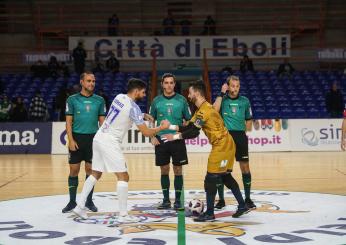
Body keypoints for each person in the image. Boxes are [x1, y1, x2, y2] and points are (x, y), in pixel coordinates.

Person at [72, 78, 170, 221]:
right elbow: (147, 133)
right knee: (123, 177)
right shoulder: (134, 108)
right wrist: (162, 127)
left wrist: (141, 115)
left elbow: (124, 112)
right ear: (136, 91)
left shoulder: (119, 97)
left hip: (99, 137)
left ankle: (79, 207)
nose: (143, 95)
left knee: (95, 173)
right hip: (110, 141)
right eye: (142, 92)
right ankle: (123, 215)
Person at [161, 80, 249, 222]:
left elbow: (194, 133)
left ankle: (209, 213)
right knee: (225, 176)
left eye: (190, 93)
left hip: (222, 146)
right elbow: (188, 126)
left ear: (196, 93)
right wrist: (170, 126)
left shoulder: (204, 111)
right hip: (226, 144)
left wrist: (175, 137)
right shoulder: (202, 109)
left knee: (210, 179)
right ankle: (242, 205)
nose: (188, 96)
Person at [62, 72, 106, 213]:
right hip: (77, 139)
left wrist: (103, 140)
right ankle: (72, 202)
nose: (91, 83)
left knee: (90, 171)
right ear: (81, 82)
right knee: (74, 170)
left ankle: (88, 201)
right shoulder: (72, 99)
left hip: (93, 140)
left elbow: (102, 123)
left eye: (93, 81)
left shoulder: (100, 100)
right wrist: (70, 140)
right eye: (88, 81)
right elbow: (68, 123)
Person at [149, 73, 191, 210]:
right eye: (166, 83)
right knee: (164, 170)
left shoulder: (182, 100)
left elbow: (189, 120)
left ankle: (178, 200)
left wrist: (182, 132)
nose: (168, 85)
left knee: (178, 170)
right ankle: (166, 200)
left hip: (177, 139)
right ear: (162, 84)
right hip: (161, 139)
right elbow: (150, 120)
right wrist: (152, 136)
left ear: (174, 84)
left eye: (171, 82)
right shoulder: (156, 101)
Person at [213, 75, 256, 210]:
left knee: (245, 168)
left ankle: (248, 198)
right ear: (227, 86)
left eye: (237, 86)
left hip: (240, 137)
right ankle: (221, 200)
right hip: (226, 138)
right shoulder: (223, 100)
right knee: (221, 169)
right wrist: (221, 93)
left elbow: (249, 118)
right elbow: (214, 110)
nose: (235, 88)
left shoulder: (245, 101)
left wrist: (245, 131)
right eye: (232, 86)